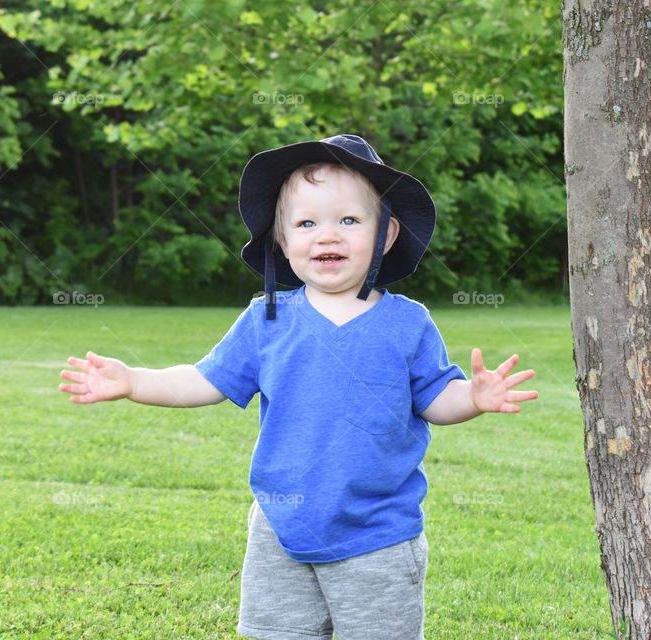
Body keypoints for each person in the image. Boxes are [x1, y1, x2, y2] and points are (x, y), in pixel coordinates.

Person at [59, 134, 538, 639]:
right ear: (283, 243)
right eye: (306, 223)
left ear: (387, 233)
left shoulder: (408, 324)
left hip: (378, 534)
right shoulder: (266, 320)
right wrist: (135, 380)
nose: (326, 236)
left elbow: (437, 399)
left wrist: (474, 398)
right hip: (279, 528)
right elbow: (205, 381)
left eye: (349, 220)